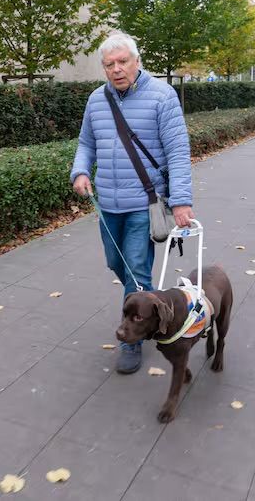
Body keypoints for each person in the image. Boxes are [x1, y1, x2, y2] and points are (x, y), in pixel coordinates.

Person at [70, 33, 193, 374]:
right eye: (109, 64)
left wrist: (181, 201)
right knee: (117, 262)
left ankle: (132, 339)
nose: (117, 69)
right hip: (107, 202)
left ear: (137, 61)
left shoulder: (162, 96)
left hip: (145, 202)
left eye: (123, 61)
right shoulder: (97, 100)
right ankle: (152, 309)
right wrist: (80, 170)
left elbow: (178, 153)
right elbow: (86, 143)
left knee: (136, 270)